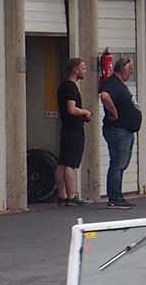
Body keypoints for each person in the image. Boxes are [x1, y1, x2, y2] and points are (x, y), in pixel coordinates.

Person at [99, 55, 141, 209]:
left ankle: (117, 195)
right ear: (122, 69)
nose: (131, 73)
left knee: (121, 164)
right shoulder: (113, 83)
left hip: (126, 130)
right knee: (117, 163)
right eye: (129, 69)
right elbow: (104, 96)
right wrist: (114, 113)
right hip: (118, 130)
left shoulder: (119, 84)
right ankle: (114, 198)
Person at [55, 57, 90, 206]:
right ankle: (71, 196)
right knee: (70, 164)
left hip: (66, 128)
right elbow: (71, 109)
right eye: (83, 68)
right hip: (74, 129)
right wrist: (85, 112)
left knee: (62, 163)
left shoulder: (62, 86)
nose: (85, 71)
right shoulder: (71, 87)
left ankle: (62, 195)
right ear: (75, 70)